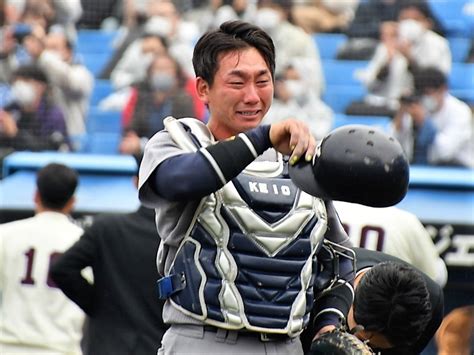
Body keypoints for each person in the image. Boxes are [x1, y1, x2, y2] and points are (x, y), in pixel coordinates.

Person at [138, 20, 408, 354]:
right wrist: (262, 137)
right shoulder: (179, 141)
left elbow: (339, 264)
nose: (252, 96)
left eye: (262, 81)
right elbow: (178, 180)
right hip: (203, 339)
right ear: (203, 88)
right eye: (237, 82)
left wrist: (327, 325)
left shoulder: (300, 163)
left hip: (287, 345)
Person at [50, 155, 167, 355]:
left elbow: (62, 269)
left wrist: (97, 306)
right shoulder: (183, 239)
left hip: (106, 345)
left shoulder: (106, 227)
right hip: (157, 346)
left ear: (136, 182)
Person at [0, 163, 84, 354]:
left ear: (36, 195)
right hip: (61, 348)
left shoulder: (5, 234)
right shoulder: (84, 241)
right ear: (72, 201)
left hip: (9, 347)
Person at [301, 248, 444, 355]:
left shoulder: (432, 303)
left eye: (375, 348)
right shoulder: (313, 278)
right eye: (359, 337)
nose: (363, 348)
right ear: (352, 301)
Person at [333, 200, 448, 287]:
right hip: (385, 312)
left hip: (329, 309)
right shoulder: (406, 221)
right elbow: (435, 280)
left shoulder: (324, 210)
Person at [392, 67, 474, 168]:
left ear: (443, 89)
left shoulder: (460, 112)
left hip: (457, 170)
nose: (425, 97)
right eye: (421, 93)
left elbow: (444, 152)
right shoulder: (416, 107)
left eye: (428, 92)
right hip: (420, 170)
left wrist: (424, 123)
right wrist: (401, 113)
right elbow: (395, 143)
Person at [119, 53, 196, 156]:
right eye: (158, 69)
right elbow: (131, 129)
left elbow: (183, 137)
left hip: (173, 156)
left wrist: (143, 145)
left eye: (167, 69)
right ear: (150, 73)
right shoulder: (141, 97)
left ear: (176, 73)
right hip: (142, 157)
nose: (162, 73)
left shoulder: (184, 100)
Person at [0, 64, 70, 154]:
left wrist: (16, 134)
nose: (19, 86)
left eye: (25, 81)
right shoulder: (10, 110)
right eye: (16, 82)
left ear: (41, 86)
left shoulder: (53, 114)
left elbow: (52, 147)